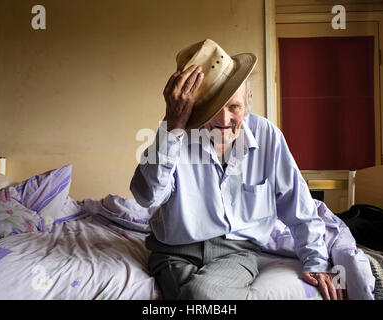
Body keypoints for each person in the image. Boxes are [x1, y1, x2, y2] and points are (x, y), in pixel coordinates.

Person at [130, 39, 343, 300]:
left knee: (200, 295)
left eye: (234, 107)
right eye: (213, 110)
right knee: (196, 298)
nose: (224, 120)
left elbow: (298, 205)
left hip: (234, 253)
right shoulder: (176, 134)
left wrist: (317, 261)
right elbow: (147, 197)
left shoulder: (267, 135)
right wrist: (172, 126)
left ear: (248, 100)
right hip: (173, 251)